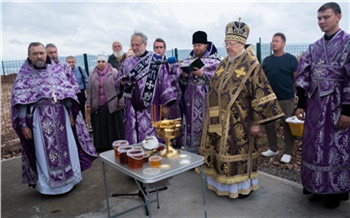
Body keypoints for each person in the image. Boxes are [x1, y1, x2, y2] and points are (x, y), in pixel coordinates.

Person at [198, 19, 284, 199]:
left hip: (241, 121)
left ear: (242, 43)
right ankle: (220, 182)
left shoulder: (252, 64)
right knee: (220, 152)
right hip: (219, 120)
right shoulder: (224, 62)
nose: (228, 47)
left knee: (238, 153)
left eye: (232, 44)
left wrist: (256, 123)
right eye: (226, 43)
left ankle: (240, 187)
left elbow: (261, 95)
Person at [11, 42, 97, 195]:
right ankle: (50, 187)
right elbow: (21, 101)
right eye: (35, 53)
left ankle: (71, 179)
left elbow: (68, 93)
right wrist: (23, 124)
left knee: (68, 148)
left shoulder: (57, 71)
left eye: (41, 53)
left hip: (62, 116)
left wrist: (71, 113)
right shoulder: (24, 75)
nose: (39, 56)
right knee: (44, 152)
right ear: (29, 56)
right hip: (40, 118)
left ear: (46, 54)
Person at [294, 2, 350, 209]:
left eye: (326, 17)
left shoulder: (348, 44)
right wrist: (300, 104)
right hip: (315, 106)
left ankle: (334, 192)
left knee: (334, 148)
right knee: (313, 147)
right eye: (319, 18)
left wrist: (347, 110)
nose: (322, 22)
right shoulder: (314, 46)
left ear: (338, 17)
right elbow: (303, 74)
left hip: (337, 107)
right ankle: (315, 187)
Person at [118, 31, 176, 144]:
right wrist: (121, 82)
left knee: (153, 141)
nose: (134, 48)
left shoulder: (156, 60)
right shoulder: (126, 63)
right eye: (132, 45)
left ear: (145, 44)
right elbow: (118, 79)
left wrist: (165, 105)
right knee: (135, 141)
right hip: (132, 109)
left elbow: (164, 82)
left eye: (137, 45)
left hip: (152, 108)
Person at [179, 30, 221, 153]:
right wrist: (184, 76)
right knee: (189, 127)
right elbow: (181, 82)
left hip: (206, 101)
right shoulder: (187, 60)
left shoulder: (216, 61)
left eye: (199, 45)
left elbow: (220, 79)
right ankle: (191, 154)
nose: (196, 48)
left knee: (205, 127)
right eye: (194, 45)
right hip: (189, 102)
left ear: (206, 45)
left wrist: (202, 74)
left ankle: (206, 154)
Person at [261, 33, 299, 164]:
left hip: (286, 98)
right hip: (270, 98)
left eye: (276, 41)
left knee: (287, 125)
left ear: (283, 43)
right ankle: (273, 148)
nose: (273, 43)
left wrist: (298, 94)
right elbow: (262, 79)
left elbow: (296, 78)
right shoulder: (266, 61)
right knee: (269, 124)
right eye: (272, 41)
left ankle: (288, 152)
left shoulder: (291, 59)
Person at [86, 53, 125, 152]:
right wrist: (88, 104)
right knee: (100, 127)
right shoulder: (92, 74)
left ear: (106, 62)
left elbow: (119, 88)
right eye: (99, 61)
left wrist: (121, 102)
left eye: (103, 61)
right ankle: (101, 147)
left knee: (113, 127)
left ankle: (114, 146)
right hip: (98, 105)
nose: (101, 63)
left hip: (112, 104)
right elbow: (89, 90)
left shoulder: (114, 72)